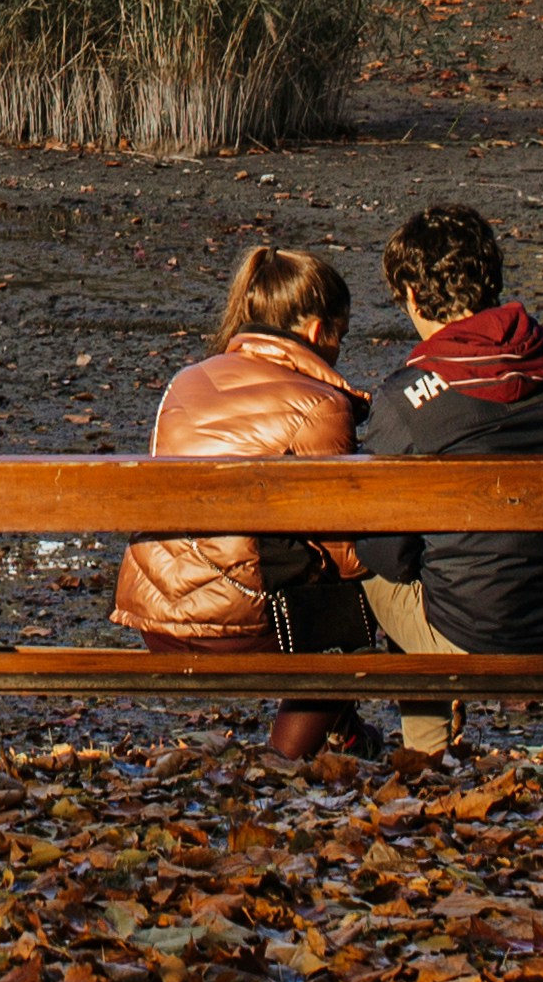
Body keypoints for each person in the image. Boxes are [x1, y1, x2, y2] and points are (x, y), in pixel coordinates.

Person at [114, 243, 374, 762]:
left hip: (157, 620)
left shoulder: (184, 383)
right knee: (361, 609)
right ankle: (282, 760)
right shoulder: (322, 404)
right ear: (319, 332)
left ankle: (345, 735)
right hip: (239, 629)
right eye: (340, 338)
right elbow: (346, 553)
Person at [353, 205, 543, 664]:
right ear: (491, 280)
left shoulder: (405, 399)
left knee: (371, 573)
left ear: (413, 296)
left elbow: (388, 555)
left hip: (474, 634)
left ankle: (424, 738)